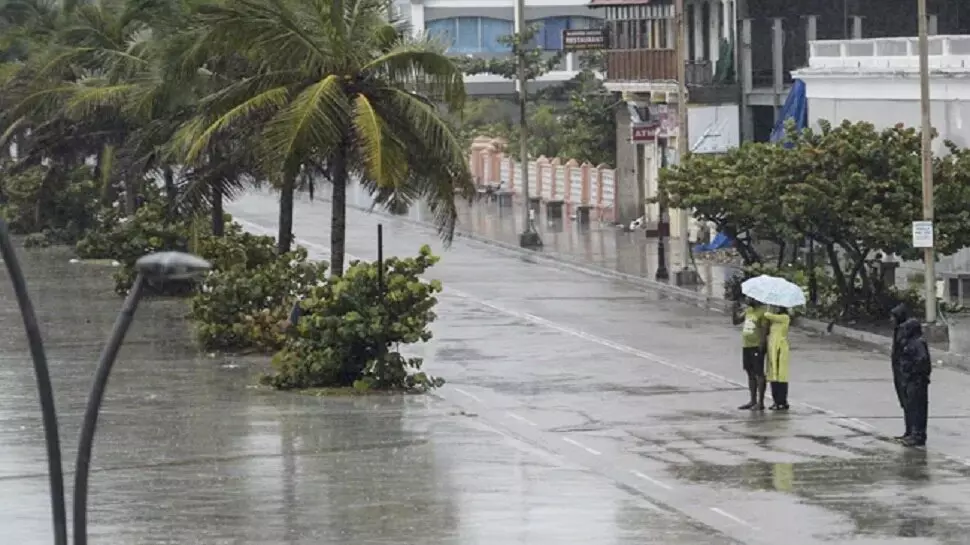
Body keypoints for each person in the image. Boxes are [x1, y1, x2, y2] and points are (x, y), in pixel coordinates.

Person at [898, 318, 931, 447]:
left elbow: (922, 360)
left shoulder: (918, 343)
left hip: (917, 380)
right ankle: (912, 432)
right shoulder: (909, 342)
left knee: (918, 408)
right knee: (911, 406)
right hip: (910, 379)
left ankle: (918, 435)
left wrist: (912, 370)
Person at [732, 297, 768, 410]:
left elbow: (764, 330)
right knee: (750, 373)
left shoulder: (763, 312)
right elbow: (736, 321)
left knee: (759, 373)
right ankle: (752, 400)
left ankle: (760, 402)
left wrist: (762, 344)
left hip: (756, 346)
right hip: (746, 346)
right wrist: (734, 311)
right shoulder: (748, 311)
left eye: (750, 298)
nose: (747, 300)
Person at [889, 304, 911, 440]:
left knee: (910, 404)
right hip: (899, 372)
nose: (891, 320)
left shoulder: (906, 332)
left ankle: (913, 432)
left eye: (893, 317)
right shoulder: (898, 330)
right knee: (904, 402)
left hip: (905, 373)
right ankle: (908, 431)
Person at [764, 307, 792, 411]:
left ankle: (782, 401)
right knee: (772, 375)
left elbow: (768, 315)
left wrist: (767, 311)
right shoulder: (774, 321)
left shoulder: (785, 317)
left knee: (781, 376)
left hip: (780, 348)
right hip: (772, 348)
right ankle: (776, 400)